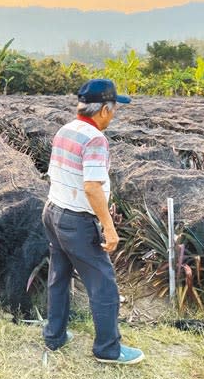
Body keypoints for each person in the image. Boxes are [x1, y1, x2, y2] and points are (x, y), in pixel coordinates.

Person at [42, 78, 144, 365]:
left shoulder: (66, 129)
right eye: (113, 109)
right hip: (76, 220)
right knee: (104, 285)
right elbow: (92, 187)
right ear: (104, 110)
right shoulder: (96, 139)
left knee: (58, 278)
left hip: (53, 211)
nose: (114, 115)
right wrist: (109, 227)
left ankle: (55, 336)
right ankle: (108, 350)